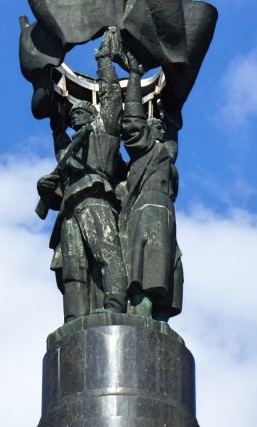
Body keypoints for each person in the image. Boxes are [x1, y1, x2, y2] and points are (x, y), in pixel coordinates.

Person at [37, 28, 129, 321]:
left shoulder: (103, 132)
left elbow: (111, 97)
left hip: (95, 199)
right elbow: (56, 129)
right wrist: (45, 187)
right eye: (72, 113)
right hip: (69, 209)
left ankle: (115, 304)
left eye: (81, 111)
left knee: (106, 252)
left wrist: (104, 61)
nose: (75, 114)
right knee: (73, 267)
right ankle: (73, 318)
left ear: (93, 115)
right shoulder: (67, 150)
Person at [116, 48, 183, 321]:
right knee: (146, 265)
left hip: (165, 213)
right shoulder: (147, 151)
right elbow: (133, 119)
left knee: (167, 264)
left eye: (160, 127)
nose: (159, 129)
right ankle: (142, 310)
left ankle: (157, 315)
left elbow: (172, 136)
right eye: (154, 126)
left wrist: (174, 104)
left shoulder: (165, 156)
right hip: (147, 210)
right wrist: (134, 77)